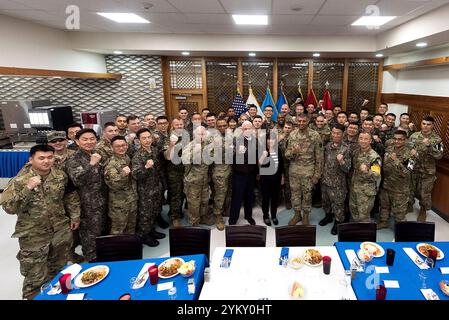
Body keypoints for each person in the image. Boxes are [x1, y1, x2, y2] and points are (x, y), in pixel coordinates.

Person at [1, 144, 73, 300]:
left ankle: (59, 295)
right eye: (41, 158)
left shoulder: (60, 176)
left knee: (60, 267)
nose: (46, 161)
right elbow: (9, 208)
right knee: (35, 275)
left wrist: (74, 216)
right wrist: (28, 187)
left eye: (49, 157)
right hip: (33, 234)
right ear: (31, 159)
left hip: (59, 229)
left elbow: (67, 198)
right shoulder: (20, 180)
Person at [66, 128, 107, 262]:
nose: (89, 142)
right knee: (89, 233)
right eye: (85, 139)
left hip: (102, 198)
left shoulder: (96, 153)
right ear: (77, 142)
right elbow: (77, 180)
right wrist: (91, 164)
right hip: (87, 202)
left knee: (101, 228)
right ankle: (91, 258)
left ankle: (102, 254)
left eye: (92, 139)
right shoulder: (74, 159)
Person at [285, 113, 323, 225]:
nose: (301, 123)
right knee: (295, 194)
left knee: (307, 195)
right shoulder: (292, 134)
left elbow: (319, 156)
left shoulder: (315, 135)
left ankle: (306, 216)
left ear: (308, 122)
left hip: (308, 171)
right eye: (299, 121)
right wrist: (293, 151)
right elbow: (287, 154)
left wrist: (317, 174)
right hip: (294, 170)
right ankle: (297, 215)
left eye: (304, 121)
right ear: (296, 121)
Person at [132, 128, 165, 246]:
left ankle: (151, 231)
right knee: (145, 214)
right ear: (138, 140)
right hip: (145, 191)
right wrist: (145, 167)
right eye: (144, 138)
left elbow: (160, 169)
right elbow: (135, 175)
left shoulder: (155, 150)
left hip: (156, 187)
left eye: (148, 137)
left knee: (155, 211)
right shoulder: (138, 155)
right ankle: (144, 236)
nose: (147, 140)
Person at [378, 130, 417, 229]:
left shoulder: (411, 154)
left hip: (400, 188)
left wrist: (396, 161)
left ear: (405, 140)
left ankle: (401, 229)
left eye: (400, 139)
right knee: (384, 206)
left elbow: (407, 172)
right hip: (386, 185)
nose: (397, 141)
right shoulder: (389, 149)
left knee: (399, 212)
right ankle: (384, 222)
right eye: (395, 139)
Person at [410, 116, 444, 221]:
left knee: (425, 193)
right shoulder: (414, 136)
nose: (425, 126)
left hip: (428, 171)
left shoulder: (437, 139)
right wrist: (411, 152)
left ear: (432, 126)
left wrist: (429, 146)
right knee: (410, 189)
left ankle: (423, 210)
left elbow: (439, 155)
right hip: (414, 169)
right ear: (421, 124)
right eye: (424, 123)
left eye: (428, 124)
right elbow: (408, 149)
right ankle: (409, 205)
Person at [319, 125, 351, 235]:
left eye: (338, 133)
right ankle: (328, 216)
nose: (335, 135)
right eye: (333, 133)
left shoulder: (346, 148)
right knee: (325, 202)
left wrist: (341, 161)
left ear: (343, 134)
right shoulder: (328, 146)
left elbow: (347, 169)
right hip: (325, 180)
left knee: (338, 204)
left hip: (338, 184)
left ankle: (338, 222)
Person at [104, 136, 137, 235]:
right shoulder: (111, 163)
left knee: (131, 227)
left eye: (123, 145)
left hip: (131, 199)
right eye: (117, 146)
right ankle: (118, 250)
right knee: (118, 230)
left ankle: (130, 247)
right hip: (119, 204)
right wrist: (123, 174)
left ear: (127, 146)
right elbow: (113, 185)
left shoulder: (127, 157)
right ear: (112, 148)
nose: (121, 148)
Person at [182, 126, 214, 226]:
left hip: (204, 180)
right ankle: (194, 222)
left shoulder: (208, 145)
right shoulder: (190, 146)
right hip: (193, 181)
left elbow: (212, 158)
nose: (201, 136)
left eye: (203, 134)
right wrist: (195, 152)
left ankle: (204, 218)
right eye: (199, 134)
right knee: (194, 204)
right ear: (194, 135)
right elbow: (185, 161)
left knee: (204, 201)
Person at [229, 121, 259, 225]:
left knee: (249, 196)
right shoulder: (236, 140)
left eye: (249, 128)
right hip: (239, 174)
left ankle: (248, 216)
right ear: (242, 130)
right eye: (245, 129)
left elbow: (257, 157)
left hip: (251, 174)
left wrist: (257, 172)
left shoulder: (255, 140)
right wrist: (236, 153)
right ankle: (233, 219)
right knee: (237, 197)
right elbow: (229, 157)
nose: (247, 130)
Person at [349, 132, 382, 222]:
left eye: (366, 139)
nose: (363, 141)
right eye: (361, 138)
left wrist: (367, 171)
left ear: (370, 141)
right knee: (354, 212)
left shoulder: (375, 157)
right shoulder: (356, 152)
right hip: (354, 188)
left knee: (364, 216)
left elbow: (376, 175)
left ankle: (364, 234)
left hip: (366, 192)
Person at [164, 118, 186, 227]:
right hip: (174, 172)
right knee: (175, 195)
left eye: (181, 124)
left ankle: (179, 211)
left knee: (183, 193)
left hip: (185, 171)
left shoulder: (187, 137)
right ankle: (174, 217)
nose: (179, 126)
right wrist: (172, 145)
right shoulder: (168, 139)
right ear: (172, 126)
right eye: (176, 124)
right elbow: (168, 157)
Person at [211, 118, 232, 230]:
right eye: (220, 126)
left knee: (228, 193)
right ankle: (218, 215)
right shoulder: (212, 138)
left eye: (225, 125)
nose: (223, 128)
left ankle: (225, 210)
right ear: (216, 126)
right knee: (220, 194)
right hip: (219, 171)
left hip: (231, 168)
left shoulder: (230, 136)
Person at [259, 134, 284, 226]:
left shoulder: (278, 150)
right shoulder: (263, 150)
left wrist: (282, 176)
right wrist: (263, 156)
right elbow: (259, 164)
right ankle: (266, 216)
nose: (270, 141)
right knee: (265, 198)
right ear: (266, 140)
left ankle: (273, 215)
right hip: (265, 179)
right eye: (269, 139)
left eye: (272, 139)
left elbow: (281, 164)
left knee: (275, 198)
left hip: (276, 178)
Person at [279, 121, 293, 209]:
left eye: (289, 128)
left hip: (289, 164)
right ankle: (278, 199)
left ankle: (288, 201)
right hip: (278, 163)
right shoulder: (278, 136)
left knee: (288, 183)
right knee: (278, 182)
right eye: (286, 127)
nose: (287, 130)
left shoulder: (294, 137)